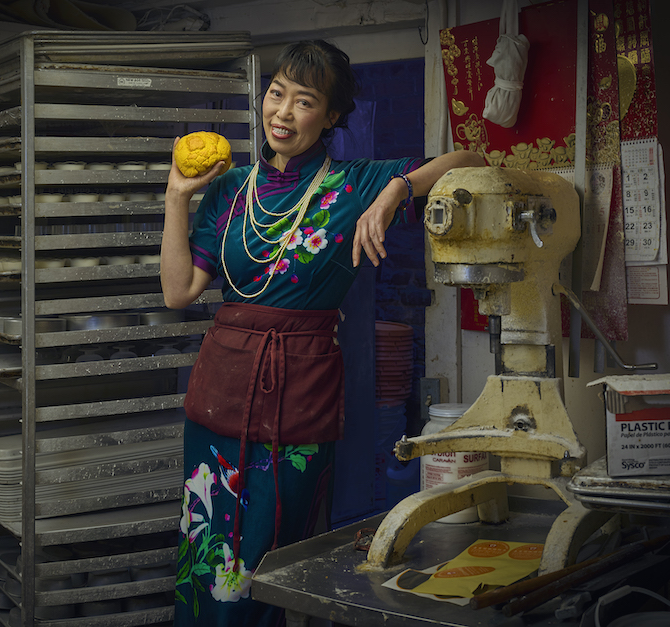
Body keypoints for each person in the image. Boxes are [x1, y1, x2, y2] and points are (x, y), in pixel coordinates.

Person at [161, 39, 484, 626]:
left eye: (303, 101)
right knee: (206, 544)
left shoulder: (355, 183)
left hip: (296, 392)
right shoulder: (232, 189)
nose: (282, 113)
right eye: (276, 94)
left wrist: (397, 190)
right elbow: (179, 292)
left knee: (269, 550)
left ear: (332, 117)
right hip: (220, 393)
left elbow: (473, 162)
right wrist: (178, 198)